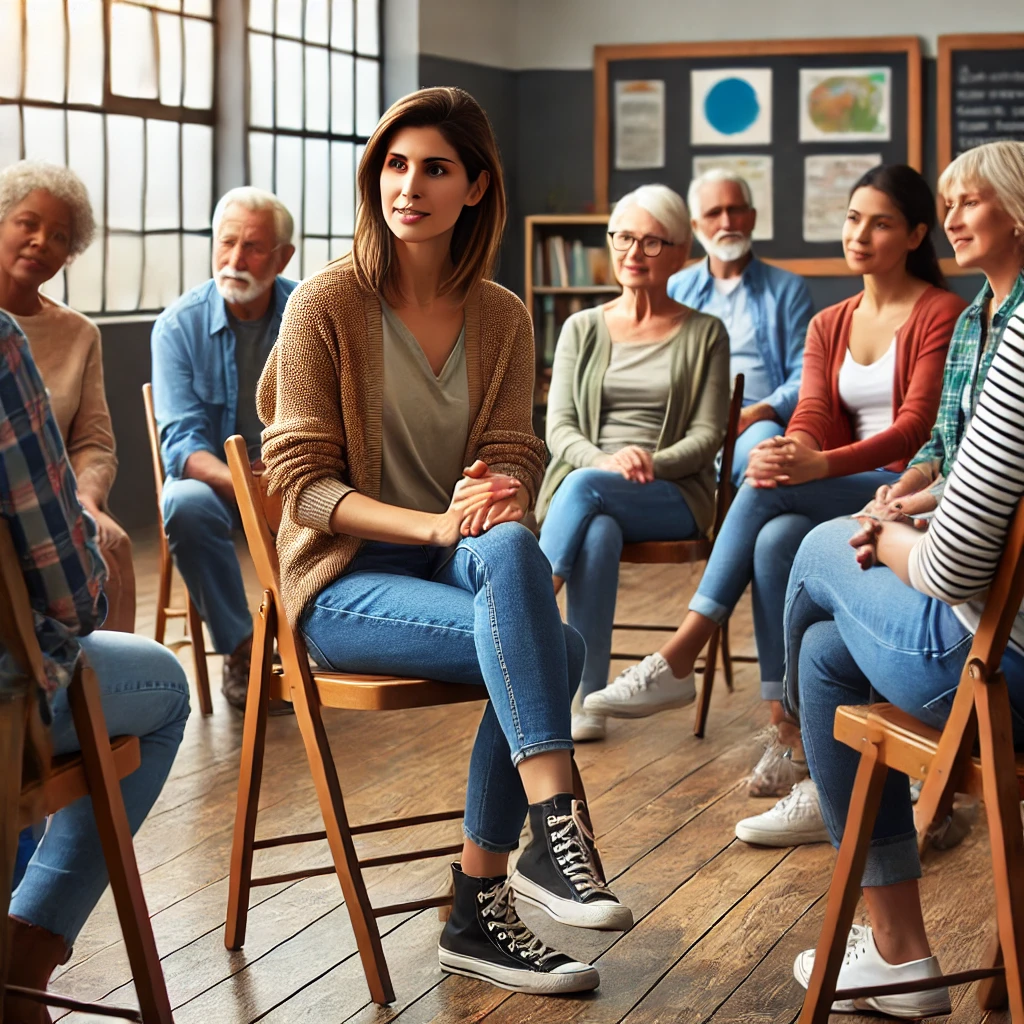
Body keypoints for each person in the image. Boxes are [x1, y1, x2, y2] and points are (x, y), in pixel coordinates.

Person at [257, 86, 630, 997]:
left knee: (511, 554)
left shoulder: (501, 314)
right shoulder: (324, 304)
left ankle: (506, 875)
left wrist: (495, 487)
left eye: (434, 168)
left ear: (474, 188)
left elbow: (514, 451)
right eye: (394, 164)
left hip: (453, 563)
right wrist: (430, 518)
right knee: (560, 643)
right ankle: (521, 861)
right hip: (343, 582)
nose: (408, 186)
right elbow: (300, 485)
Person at [585, 165, 966, 805]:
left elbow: (914, 431)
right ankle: (788, 728)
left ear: (915, 234)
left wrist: (816, 465)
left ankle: (683, 652)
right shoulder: (832, 320)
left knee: (764, 491)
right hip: (842, 480)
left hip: (904, 488)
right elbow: (813, 410)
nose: (861, 234)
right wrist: (795, 449)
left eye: (881, 223)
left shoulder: (940, 312)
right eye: (852, 219)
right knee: (775, 536)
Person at [766, 140, 1024, 865]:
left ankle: (789, 737)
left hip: (999, 664)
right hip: (987, 613)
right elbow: (951, 447)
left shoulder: (1008, 331)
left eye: (969, 201)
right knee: (821, 648)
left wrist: (880, 536)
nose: (952, 218)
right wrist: (912, 493)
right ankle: (897, 941)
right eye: (948, 205)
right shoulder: (979, 317)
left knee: (818, 542)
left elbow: (954, 571)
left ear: (1021, 214)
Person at [1, 310, 190, 1024]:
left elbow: (98, 444)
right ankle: (26, 950)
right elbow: (74, 592)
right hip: (7, 701)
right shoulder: (1, 346)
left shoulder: (74, 332)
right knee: (165, 688)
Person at [537, 184, 730, 743]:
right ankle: (589, 697)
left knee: (586, 492)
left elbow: (708, 435)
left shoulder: (705, 333)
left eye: (651, 242)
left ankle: (525, 605)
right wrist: (604, 462)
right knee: (597, 531)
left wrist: (651, 461)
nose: (633, 253)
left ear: (679, 253)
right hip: (593, 486)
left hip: (671, 493)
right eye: (624, 237)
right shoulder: (583, 328)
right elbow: (561, 428)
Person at [150, 186, 296, 711]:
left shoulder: (309, 312)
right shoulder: (178, 326)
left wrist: (286, 478)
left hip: (294, 480)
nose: (235, 259)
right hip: (217, 484)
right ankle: (245, 650)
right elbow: (182, 447)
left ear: (283, 256)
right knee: (182, 502)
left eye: (253, 247)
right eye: (226, 242)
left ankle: (324, 637)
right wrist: (243, 481)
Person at [0, 160, 134, 632]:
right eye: (27, 223)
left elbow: (94, 443)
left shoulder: (79, 334)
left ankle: (104, 696)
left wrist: (87, 502)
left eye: (59, 236)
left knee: (111, 545)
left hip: (59, 505)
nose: (41, 241)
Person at [669, 168, 814, 484]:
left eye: (735, 210)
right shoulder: (675, 289)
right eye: (713, 213)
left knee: (766, 458)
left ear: (751, 217)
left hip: (756, 420)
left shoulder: (788, 289)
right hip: (687, 421)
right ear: (695, 226)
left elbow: (805, 374)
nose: (726, 222)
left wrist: (756, 413)